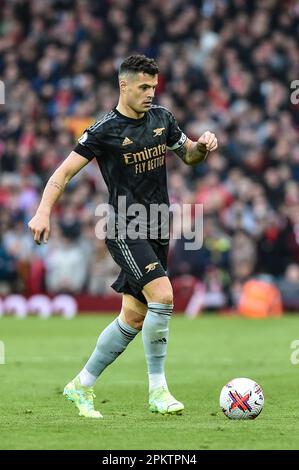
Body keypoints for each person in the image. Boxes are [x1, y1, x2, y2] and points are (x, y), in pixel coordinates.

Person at [28, 55, 218, 418]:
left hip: (159, 226)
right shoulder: (104, 130)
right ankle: (158, 390)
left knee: (133, 317)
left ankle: (81, 384)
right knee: (163, 294)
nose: (150, 93)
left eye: (154, 87)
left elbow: (189, 156)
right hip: (124, 226)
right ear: (124, 85)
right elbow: (62, 174)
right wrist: (42, 211)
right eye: (143, 87)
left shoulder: (163, 119)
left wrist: (202, 148)